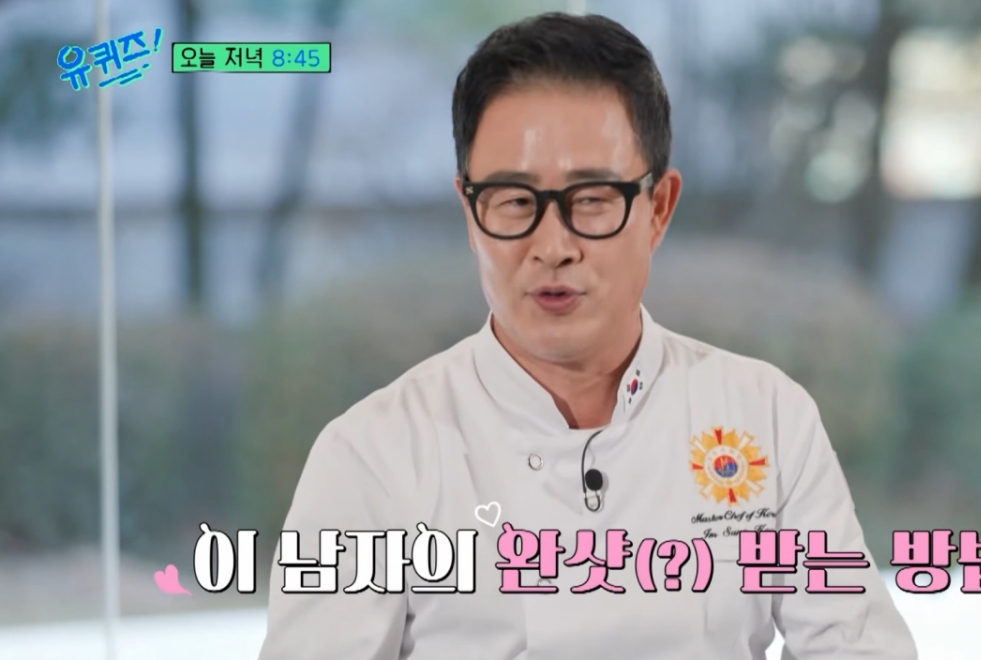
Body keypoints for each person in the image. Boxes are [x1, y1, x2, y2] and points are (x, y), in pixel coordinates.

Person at [258, 11, 917, 660]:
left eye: (593, 199)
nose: (553, 246)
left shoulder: (764, 415)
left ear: (659, 209)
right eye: (515, 201)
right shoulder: (373, 455)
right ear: (470, 212)